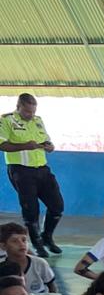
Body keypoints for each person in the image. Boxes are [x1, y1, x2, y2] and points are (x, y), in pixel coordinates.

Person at [0, 94, 63, 258]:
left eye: (33, 111)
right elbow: (2, 144)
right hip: (21, 171)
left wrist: (50, 146)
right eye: (27, 111)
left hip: (42, 169)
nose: (30, 115)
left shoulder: (38, 120)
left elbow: (46, 139)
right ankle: (37, 244)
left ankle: (47, 237)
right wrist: (24, 146)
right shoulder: (6, 120)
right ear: (18, 106)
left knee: (57, 206)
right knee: (31, 209)